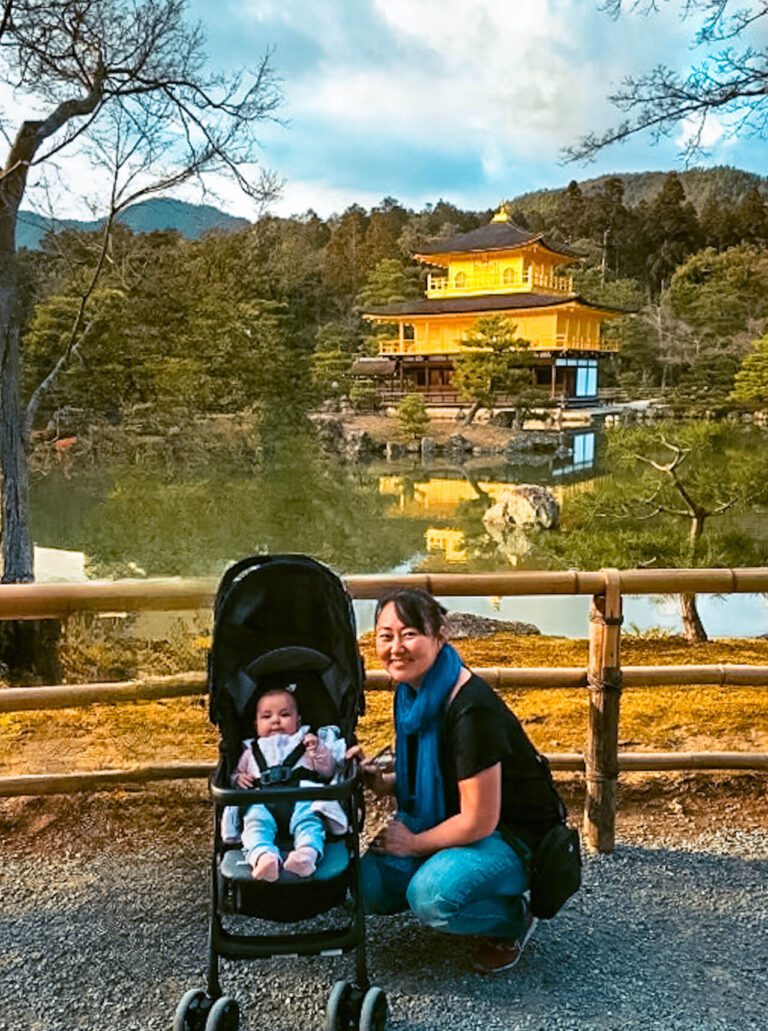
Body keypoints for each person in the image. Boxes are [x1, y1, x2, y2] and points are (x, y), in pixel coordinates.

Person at [350, 588, 564, 974]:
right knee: (366, 887)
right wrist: (382, 782)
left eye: (410, 633)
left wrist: (413, 844)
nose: (395, 647)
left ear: (440, 636)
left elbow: (479, 819)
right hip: (451, 817)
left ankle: (511, 919)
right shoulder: (412, 693)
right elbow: (433, 775)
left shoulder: (471, 709)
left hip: (513, 836)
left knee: (431, 897)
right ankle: (453, 875)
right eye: (385, 635)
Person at [226, 686, 347, 882]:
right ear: (256, 724)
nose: (275, 720)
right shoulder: (251, 751)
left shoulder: (306, 743)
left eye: (284, 714)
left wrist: (319, 750)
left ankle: (305, 856)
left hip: (302, 798)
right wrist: (238, 778)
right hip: (261, 802)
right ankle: (265, 858)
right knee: (254, 826)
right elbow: (237, 774)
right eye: (267, 716)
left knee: (310, 824)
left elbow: (328, 771)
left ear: (298, 721)